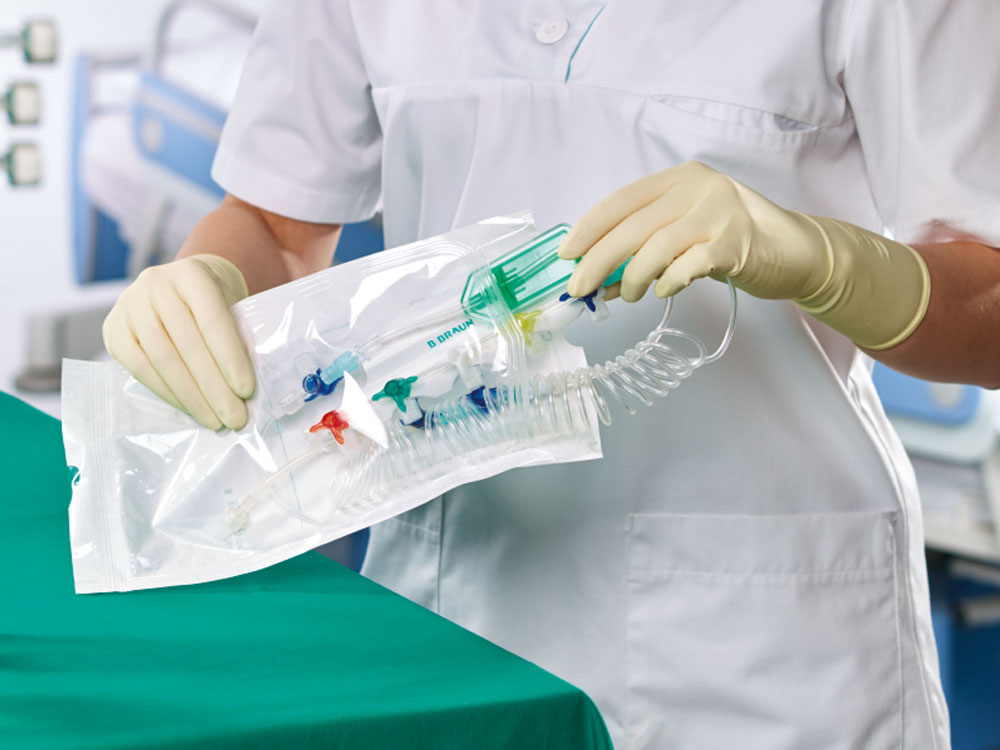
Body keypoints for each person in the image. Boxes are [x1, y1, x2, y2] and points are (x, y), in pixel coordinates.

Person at [103, 3, 1000, 747]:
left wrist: (816, 257)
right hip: (449, 607)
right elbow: (274, 219)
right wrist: (212, 283)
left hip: (763, 650)